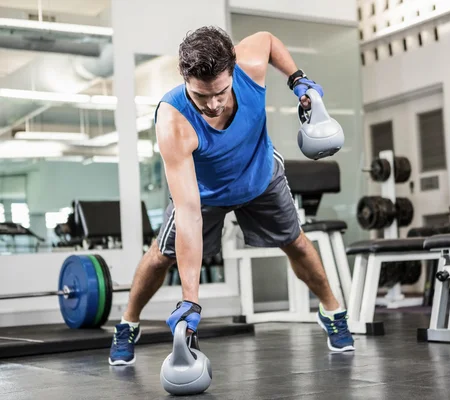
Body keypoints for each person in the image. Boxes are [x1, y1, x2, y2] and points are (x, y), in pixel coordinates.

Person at [108, 26, 355, 366]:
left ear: (233, 69)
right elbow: (189, 212)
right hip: (205, 193)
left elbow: (269, 39)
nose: (212, 104)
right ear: (185, 80)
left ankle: (332, 311)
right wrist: (190, 301)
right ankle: (128, 322)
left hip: (259, 174)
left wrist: (297, 78)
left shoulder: (250, 66)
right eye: (201, 96)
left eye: (220, 92)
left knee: (296, 241)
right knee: (161, 255)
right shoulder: (173, 121)